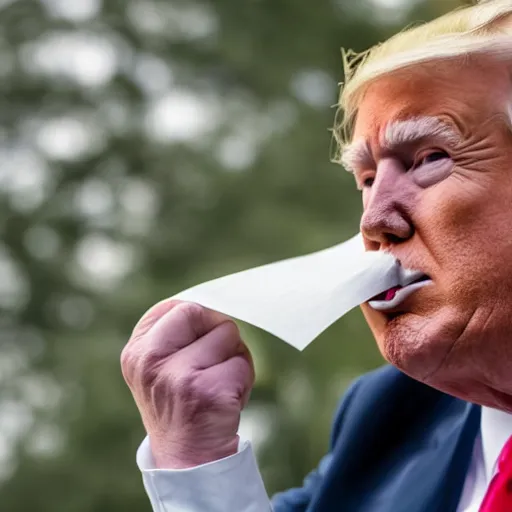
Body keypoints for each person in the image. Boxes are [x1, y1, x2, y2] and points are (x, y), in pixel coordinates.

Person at [120, 1, 512, 510]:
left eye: (429, 159)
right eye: (367, 180)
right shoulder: (385, 420)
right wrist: (197, 460)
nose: (373, 220)